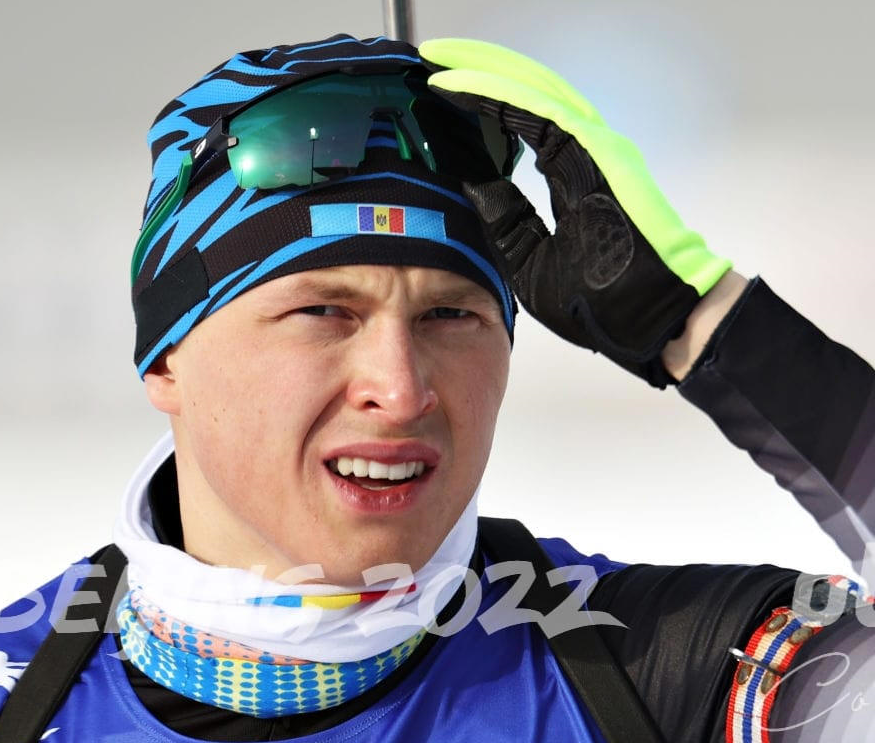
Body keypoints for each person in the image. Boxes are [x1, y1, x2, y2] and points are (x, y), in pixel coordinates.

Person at [0, 33, 873, 743]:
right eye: (323, 312)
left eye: (450, 315)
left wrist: (703, 327)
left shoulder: (659, 666)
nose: (400, 387)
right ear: (165, 359)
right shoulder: (19, 689)